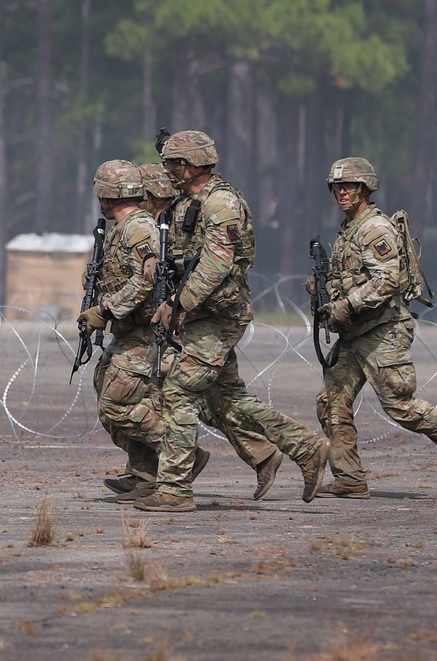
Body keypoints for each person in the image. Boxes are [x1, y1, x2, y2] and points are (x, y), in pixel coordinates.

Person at [134, 130, 328, 513]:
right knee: (227, 400)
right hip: (200, 315)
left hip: (218, 316)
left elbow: (217, 263)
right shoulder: (189, 202)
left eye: (172, 163)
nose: (167, 170)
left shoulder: (220, 203)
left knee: (178, 391)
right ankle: (305, 448)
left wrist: (178, 303)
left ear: (192, 166)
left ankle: (174, 489)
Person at [311, 157, 437, 499]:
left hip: (382, 331)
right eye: (337, 186)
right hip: (355, 333)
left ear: (365, 189)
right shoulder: (349, 229)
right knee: (331, 401)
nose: (341, 192)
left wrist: (346, 305)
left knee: (399, 406)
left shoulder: (374, 229)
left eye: (349, 186)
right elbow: (352, 277)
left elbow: (387, 280)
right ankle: (349, 477)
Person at [78, 160, 210, 498]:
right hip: (126, 330)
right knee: (105, 392)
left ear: (107, 194)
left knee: (116, 404)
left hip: (144, 331)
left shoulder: (138, 228)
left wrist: (107, 308)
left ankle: (182, 454)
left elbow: (148, 278)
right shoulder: (123, 229)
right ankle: (144, 472)